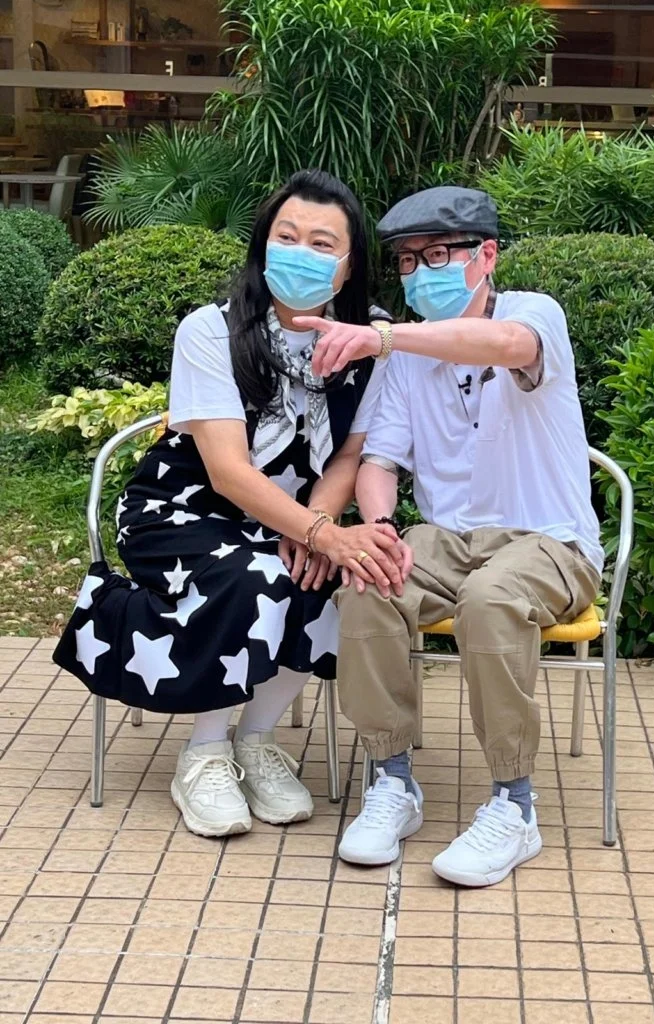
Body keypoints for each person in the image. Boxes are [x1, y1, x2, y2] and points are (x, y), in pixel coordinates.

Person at [54, 169, 407, 839]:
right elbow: (227, 470)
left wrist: (320, 529)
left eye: (322, 244)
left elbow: (349, 456)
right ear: (263, 244)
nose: (300, 253)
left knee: (336, 581)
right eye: (286, 237)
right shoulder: (211, 330)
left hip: (295, 515)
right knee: (258, 576)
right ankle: (205, 752)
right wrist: (320, 533)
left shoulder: (370, 342)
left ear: (349, 265)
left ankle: (257, 739)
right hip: (182, 510)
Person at [294, 185, 603, 887]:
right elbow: (379, 461)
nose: (418, 272)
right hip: (446, 539)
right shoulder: (406, 357)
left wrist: (384, 337)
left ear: (485, 255)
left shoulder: (532, 313)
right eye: (407, 262)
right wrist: (377, 528)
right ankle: (393, 780)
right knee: (368, 583)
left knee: (490, 598)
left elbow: (507, 346)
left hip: (549, 541)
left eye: (436, 255)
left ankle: (514, 805)